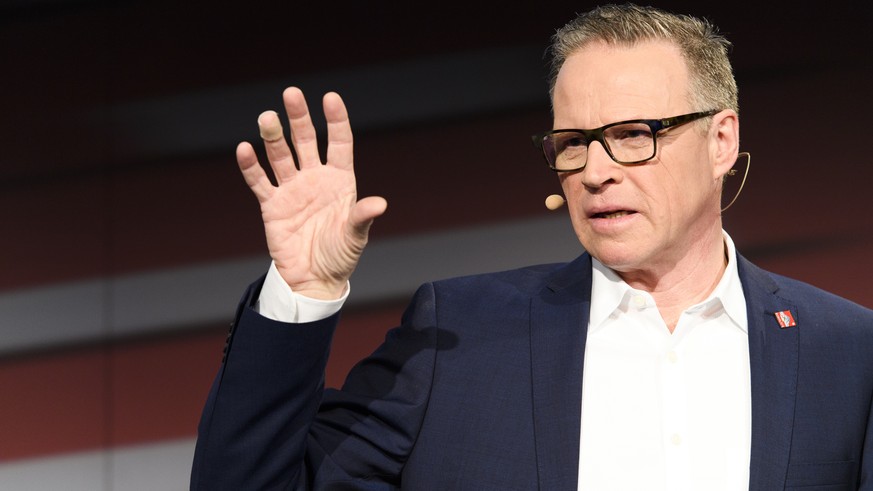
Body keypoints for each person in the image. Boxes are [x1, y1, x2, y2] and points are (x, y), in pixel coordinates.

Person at [190, 4, 873, 490]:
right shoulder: (456, 335)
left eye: (633, 133)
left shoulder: (844, 349)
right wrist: (300, 290)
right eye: (573, 143)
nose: (596, 169)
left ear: (720, 140)